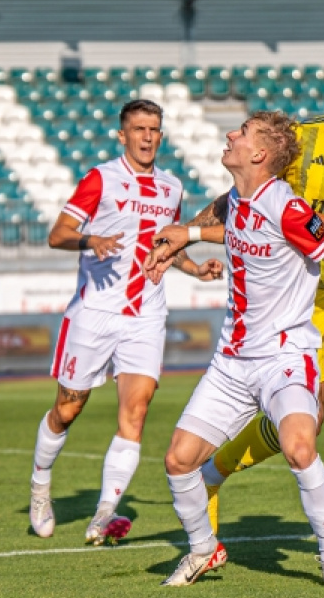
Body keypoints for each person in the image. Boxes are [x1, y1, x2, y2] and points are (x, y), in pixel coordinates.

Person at [146, 47, 324, 575]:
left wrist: (295, 223)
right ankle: (217, 470)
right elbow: (241, 198)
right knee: (305, 425)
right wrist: (192, 236)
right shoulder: (306, 137)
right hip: (295, 298)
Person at [28, 99, 223, 543]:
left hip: (146, 316)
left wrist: (196, 269)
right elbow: (57, 234)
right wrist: (90, 239)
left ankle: (103, 515)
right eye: (139, 129)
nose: (148, 136)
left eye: (154, 128)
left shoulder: (171, 187)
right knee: (68, 409)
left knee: (135, 413)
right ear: (123, 135)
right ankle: (41, 485)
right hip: (95, 312)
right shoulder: (101, 178)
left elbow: (167, 245)